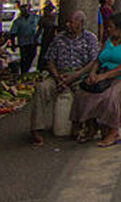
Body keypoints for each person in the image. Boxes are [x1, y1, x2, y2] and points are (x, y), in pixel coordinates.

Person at [72, 11, 121, 147]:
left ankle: (113, 131)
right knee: (83, 93)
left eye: (111, 26)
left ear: (120, 27)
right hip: (104, 74)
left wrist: (104, 76)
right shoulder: (109, 40)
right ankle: (91, 126)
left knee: (112, 96)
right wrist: (93, 74)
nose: (109, 29)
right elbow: (98, 60)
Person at [29, 11, 99, 145]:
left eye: (71, 22)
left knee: (83, 93)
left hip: (79, 75)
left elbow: (93, 62)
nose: (68, 25)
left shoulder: (90, 38)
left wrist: (75, 76)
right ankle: (36, 128)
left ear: (80, 23)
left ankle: (79, 125)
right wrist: (57, 77)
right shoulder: (59, 38)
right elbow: (50, 60)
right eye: (67, 22)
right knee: (41, 89)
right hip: (59, 75)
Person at [10, 4, 40, 74]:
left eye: (26, 10)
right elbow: (13, 33)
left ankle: (27, 68)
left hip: (32, 41)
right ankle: (24, 71)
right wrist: (13, 44)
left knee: (32, 55)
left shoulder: (35, 18)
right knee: (24, 57)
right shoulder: (18, 21)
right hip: (23, 42)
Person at [37, 2, 59, 73]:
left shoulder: (54, 18)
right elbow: (39, 29)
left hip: (53, 37)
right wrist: (36, 38)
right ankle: (41, 67)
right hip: (45, 37)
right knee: (43, 52)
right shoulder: (43, 19)